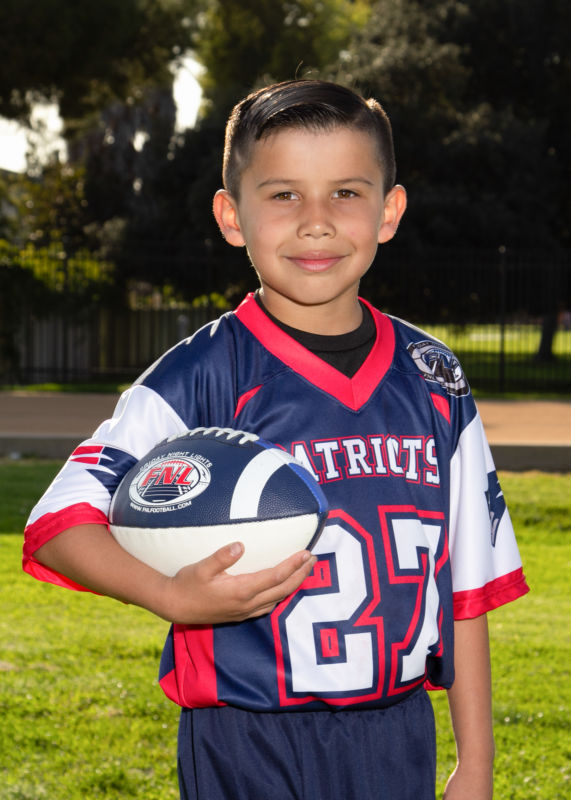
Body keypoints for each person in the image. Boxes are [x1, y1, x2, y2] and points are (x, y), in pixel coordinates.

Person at [23, 80, 529, 799]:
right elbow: (55, 525)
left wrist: (473, 765)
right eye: (283, 195)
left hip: (395, 733)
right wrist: (172, 594)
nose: (315, 223)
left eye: (346, 194)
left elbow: (467, 589)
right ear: (232, 216)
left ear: (389, 211)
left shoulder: (433, 377)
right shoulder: (201, 375)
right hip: (244, 734)